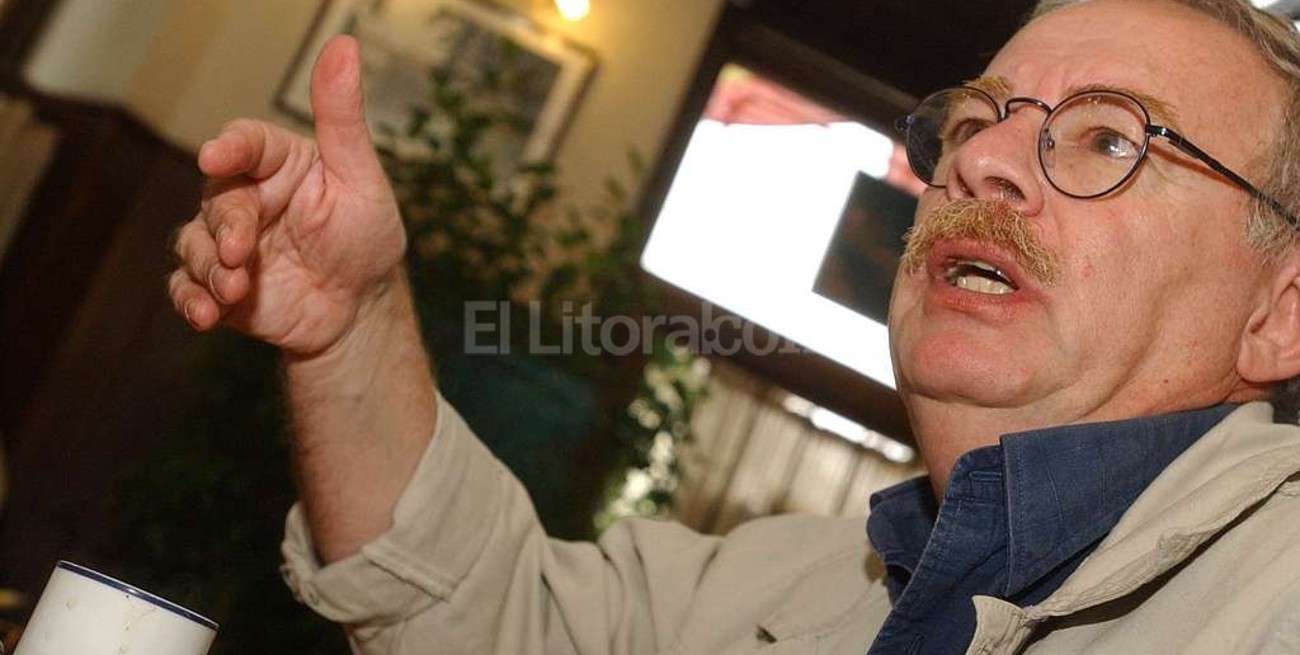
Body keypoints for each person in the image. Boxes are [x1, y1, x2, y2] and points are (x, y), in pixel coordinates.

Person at [167, 0, 1300, 652]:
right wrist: (350, 324)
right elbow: (478, 610)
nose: (984, 160)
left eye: (1110, 139)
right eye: (973, 122)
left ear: (1280, 313)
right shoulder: (783, 580)